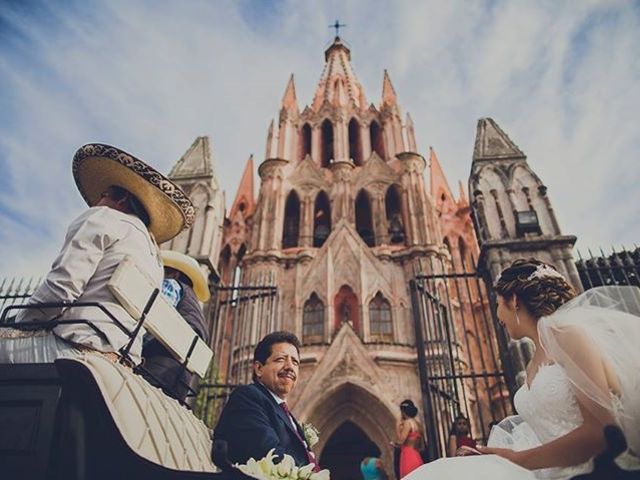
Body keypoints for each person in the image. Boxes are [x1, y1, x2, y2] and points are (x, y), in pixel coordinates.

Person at [404, 259, 640, 480]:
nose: (498, 317)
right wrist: (497, 454)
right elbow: (550, 434)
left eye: (498, 305)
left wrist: (515, 459)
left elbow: (602, 432)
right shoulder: (534, 361)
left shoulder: (568, 336)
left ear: (514, 301)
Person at [1, 143, 194, 366]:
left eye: (103, 195)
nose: (97, 202)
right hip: (119, 361)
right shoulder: (154, 259)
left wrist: (19, 323)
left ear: (121, 199)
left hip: (74, 348)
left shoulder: (103, 218)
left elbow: (60, 290)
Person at [212, 331, 319, 472]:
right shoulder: (247, 398)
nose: (289, 367)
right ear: (259, 368)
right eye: (281, 359)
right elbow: (271, 457)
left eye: (295, 362)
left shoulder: (285, 413)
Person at [141, 250, 210, 402]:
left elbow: (151, 320)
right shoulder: (196, 310)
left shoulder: (171, 285)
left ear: (175, 274)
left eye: (165, 271)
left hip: (155, 367)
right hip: (182, 382)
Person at [395, 399, 424, 477]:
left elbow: (400, 441)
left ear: (403, 411)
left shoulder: (408, 423)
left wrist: (397, 427)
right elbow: (421, 445)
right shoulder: (418, 424)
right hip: (416, 455)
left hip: (407, 456)